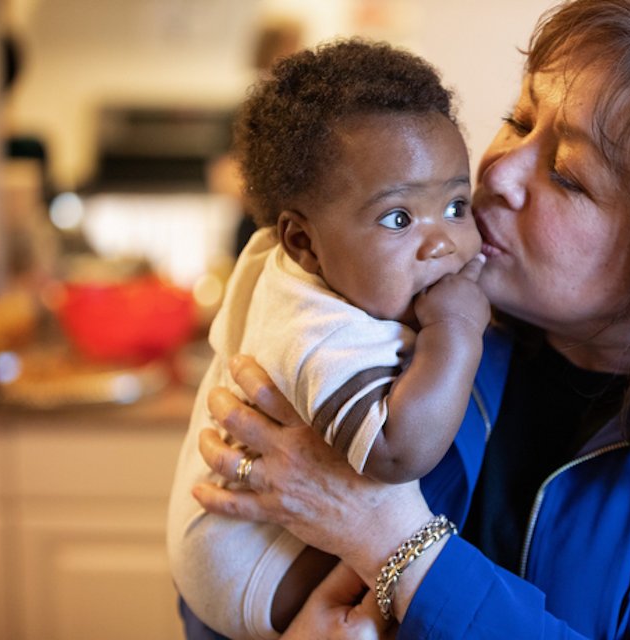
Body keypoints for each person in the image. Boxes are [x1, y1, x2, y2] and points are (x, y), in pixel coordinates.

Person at [189, 0, 630, 638]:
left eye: (567, 174)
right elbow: (213, 566)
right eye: (519, 120)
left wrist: (394, 541)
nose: (496, 174)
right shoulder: (410, 296)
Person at [167, 40, 488, 640]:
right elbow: (396, 452)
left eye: (456, 204)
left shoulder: (291, 263)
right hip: (249, 572)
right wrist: (456, 332)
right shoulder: (318, 330)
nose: (442, 242)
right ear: (303, 243)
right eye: (398, 218)